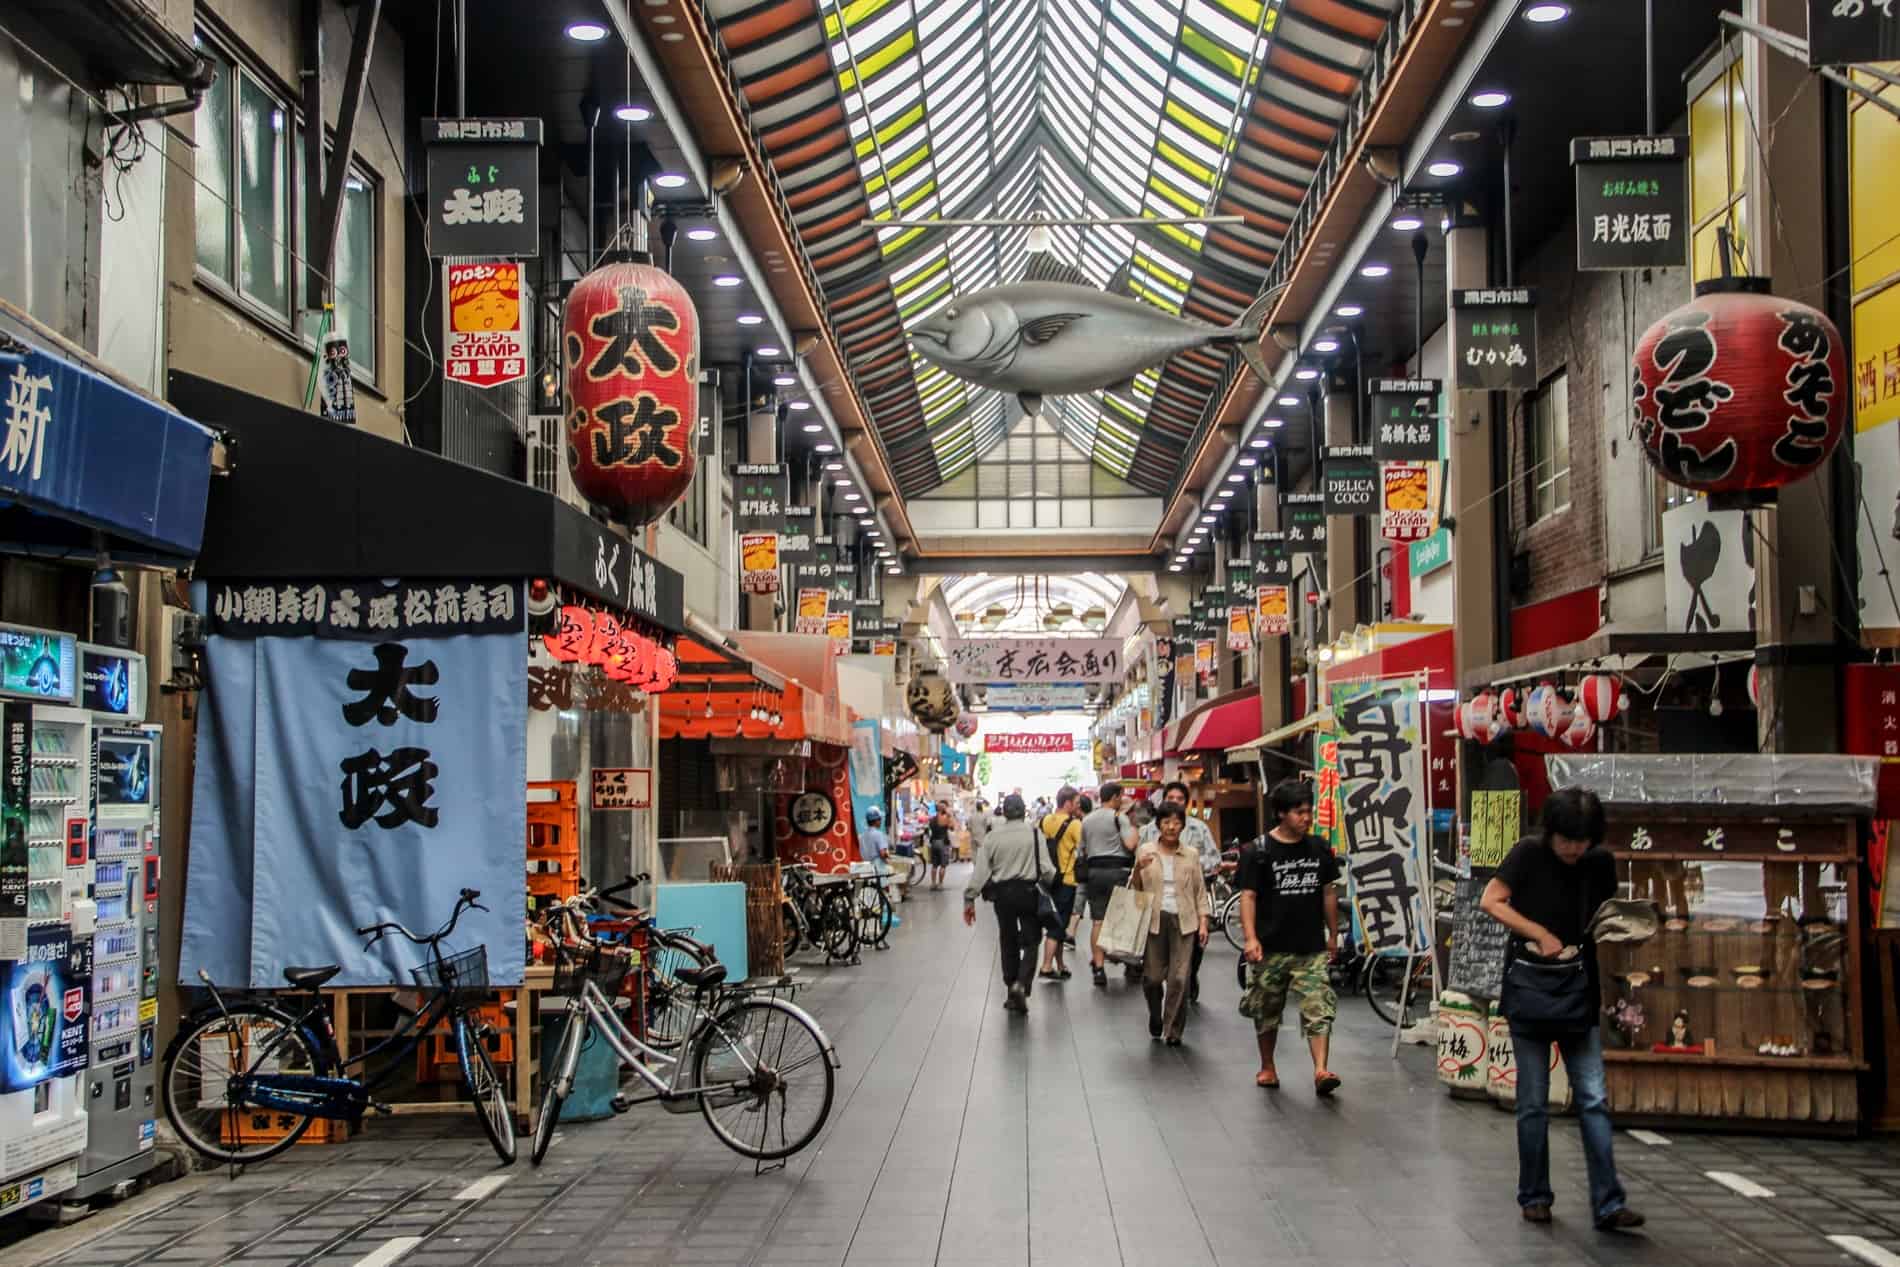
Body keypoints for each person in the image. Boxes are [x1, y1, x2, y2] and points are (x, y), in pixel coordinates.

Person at [1480, 787, 1644, 1233]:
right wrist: (1540, 933)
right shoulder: (1528, 854)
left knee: (1593, 1100)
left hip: (1579, 992)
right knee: (1533, 1103)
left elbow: (1603, 919)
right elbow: (1491, 900)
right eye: (1567, 839)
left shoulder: (1599, 863)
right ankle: (1535, 1196)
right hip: (1530, 990)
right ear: (1551, 832)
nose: (1574, 848)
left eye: (1583, 840)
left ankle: (1608, 1203)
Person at [1238, 779, 1342, 1096]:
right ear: (1281, 813)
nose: (1306, 818)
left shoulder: (1320, 848)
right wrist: (1251, 938)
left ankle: (1321, 1070)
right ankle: (1268, 1066)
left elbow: (1328, 892)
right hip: (1270, 947)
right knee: (1266, 1009)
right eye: (1299, 812)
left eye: (1309, 812)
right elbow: (1248, 896)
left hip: (1310, 946)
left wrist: (1333, 934)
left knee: (1318, 1006)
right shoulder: (1258, 851)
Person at [963, 794, 1053, 1013]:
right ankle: (1022, 984)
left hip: (1003, 895)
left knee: (1008, 939)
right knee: (1032, 940)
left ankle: (1011, 986)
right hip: (1029, 892)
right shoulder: (1034, 833)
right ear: (1024, 812)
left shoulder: (992, 837)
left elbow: (982, 870)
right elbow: (1047, 869)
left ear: (1003, 812)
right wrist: (1050, 884)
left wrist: (969, 897)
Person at [1131, 802, 1211, 1044]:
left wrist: (1204, 921)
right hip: (1154, 919)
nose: (1171, 827)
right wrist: (1138, 868)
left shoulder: (1191, 854)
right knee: (1153, 978)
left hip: (1185, 920)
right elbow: (1136, 889)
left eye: (1176, 822)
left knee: (1180, 978)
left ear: (1183, 826)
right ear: (1158, 825)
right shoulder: (1146, 851)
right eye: (1166, 822)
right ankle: (1156, 1015)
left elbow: (1199, 890)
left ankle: (1173, 1029)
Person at [1141, 781, 1218, 1001]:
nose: (1174, 802)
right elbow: (1140, 862)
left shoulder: (1198, 828)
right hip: (1156, 906)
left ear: (1186, 803)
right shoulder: (1149, 831)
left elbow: (1214, 858)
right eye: (1170, 798)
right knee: (1154, 972)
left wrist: (1189, 864)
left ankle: (1187, 978)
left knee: (1188, 960)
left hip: (1190, 899)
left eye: (1179, 799)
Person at [1079, 782, 1137, 987]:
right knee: (1121, 919)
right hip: (1117, 872)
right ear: (1114, 797)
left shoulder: (1087, 820)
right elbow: (1130, 844)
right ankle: (1127, 962)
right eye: (1121, 796)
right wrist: (1134, 829)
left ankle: (1099, 967)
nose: (1122, 800)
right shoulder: (1118, 817)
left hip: (1095, 873)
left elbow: (1082, 851)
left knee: (1098, 921)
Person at [1038, 786, 1084, 980]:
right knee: (1058, 925)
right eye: (1076, 803)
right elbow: (1083, 847)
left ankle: (1060, 964)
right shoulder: (1074, 824)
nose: (1078, 807)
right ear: (1067, 804)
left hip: (1047, 879)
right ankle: (1046, 966)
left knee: (1055, 920)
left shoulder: (1044, 821)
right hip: (1066, 879)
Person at [926, 804, 954, 889]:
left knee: (934, 865)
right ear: (943, 810)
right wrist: (950, 817)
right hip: (943, 842)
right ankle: (940, 884)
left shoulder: (932, 819)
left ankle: (933, 884)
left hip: (934, 842)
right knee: (943, 865)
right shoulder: (945, 819)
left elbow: (930, 829)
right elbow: (952, 827)